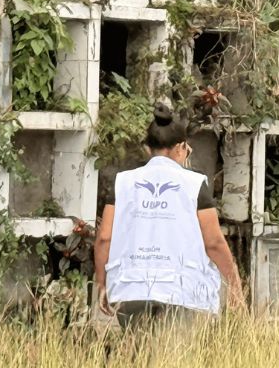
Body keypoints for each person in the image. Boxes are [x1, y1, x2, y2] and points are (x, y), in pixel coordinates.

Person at [94, 103, 244, 328]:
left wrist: (103, 284)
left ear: (148, 148)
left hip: (131, 287)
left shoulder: (123, 182)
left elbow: (105, 237)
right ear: (180, 148)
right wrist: (234, 284)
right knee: (175, 360)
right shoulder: (193, 185)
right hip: (181, 291)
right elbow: (213, 242)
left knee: (138, 356)